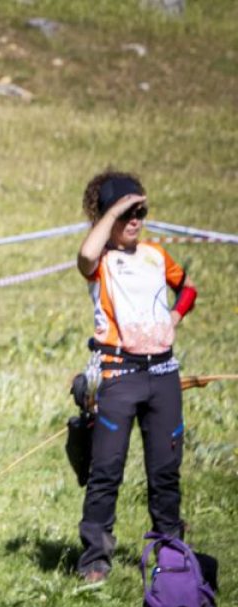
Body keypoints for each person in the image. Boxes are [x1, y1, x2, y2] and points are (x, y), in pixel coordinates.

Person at [75, 171, 196, 583]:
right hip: (118, 375)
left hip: (162, 373)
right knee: (106, 469)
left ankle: (170, 550)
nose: (135, 219)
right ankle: (95, 559)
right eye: (127, 211)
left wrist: (175, 317)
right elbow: (84, 255)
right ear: (109, 215)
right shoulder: (101, 261)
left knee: (165, 469)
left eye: (140, 210)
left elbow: (188, 289)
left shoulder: (156, 255)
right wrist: (111, 212)